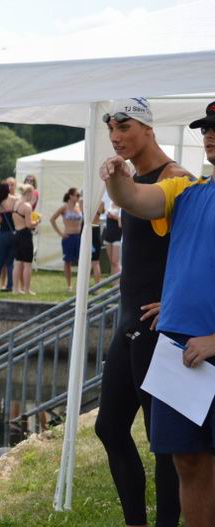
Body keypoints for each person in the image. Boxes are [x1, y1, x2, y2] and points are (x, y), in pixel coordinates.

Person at [101, 99, 215, 527]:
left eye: (125, 126)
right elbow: (135, 198)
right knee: (172, 449)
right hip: (153, 328)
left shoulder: (178, 178)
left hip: (172, 331)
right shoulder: (188, 190)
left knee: (178, 449)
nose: (209, 135)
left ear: (148, 129)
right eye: (206, 128)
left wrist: (174, 300)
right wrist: (117, 180)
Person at [50, 187, 83, 293]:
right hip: (68, 236)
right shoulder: (64, 207)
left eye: (79, 195)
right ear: (70, 196)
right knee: (68, 261)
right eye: (77, 195)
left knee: (81, 261)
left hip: (78, 236)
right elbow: (52, 219)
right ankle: (69, 285)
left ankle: (80, 285)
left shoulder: (79, 206)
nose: (78, 197)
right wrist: (60, 233)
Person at [12, 184, 41, 295]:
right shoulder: (27, 206)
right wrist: (37, 221)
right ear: (28, 193)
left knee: (17, 263)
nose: (33, 196)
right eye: (32, 194)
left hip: (17, 233)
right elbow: (29, 224)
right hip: (25, 235)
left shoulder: (16, 204)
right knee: (28, 264)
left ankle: (16, 289)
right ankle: (27, 289)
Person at [102, 191, 122, 275]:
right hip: (108, 235)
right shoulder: (110, 204)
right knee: (111, 262)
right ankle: (113, 281)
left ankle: (120, 280)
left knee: (115, 262)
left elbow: (121, 224)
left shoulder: (122, 207)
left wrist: (113, 217)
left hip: (117, 236)